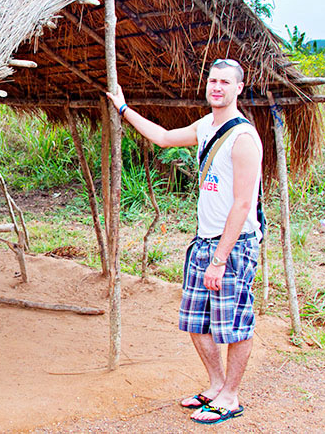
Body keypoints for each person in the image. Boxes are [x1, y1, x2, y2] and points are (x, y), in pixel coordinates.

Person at [106, 58, 263, 426]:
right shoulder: (206, 125)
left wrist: (221, 258)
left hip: (233, 246)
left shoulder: (243, 139)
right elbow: (162, 138)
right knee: (195, 322)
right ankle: (215, 386)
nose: (217, 87)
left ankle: (231, 397)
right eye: (213, 80)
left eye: (226, 82)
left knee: (235, 324)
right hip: (203, 242)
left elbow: (243, 203)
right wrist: (124, 108)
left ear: (239, 88)